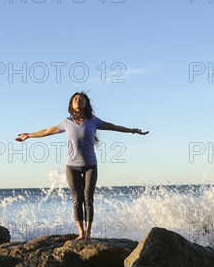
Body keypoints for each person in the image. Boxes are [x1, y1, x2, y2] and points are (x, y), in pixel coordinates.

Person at [15, 92, 149, 240]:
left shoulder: (93, 121)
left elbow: (113, 126)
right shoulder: (66, 122)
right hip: (71, 166)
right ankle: (81, 232)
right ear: (71, 104)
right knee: (77, 199)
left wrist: (133, 131)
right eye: (75, 99)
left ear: (86, 104)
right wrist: (28, 135)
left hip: (90, 165)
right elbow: (47, 131)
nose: (78, 100)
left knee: (88, 198)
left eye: (81, 98)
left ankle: (89, 232)